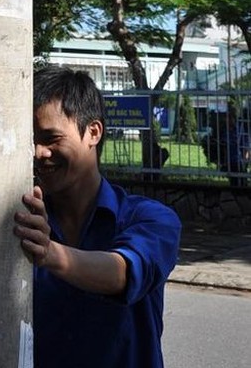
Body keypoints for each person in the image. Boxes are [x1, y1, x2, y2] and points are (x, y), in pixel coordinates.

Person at [13, 66, 181, 368]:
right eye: (31, 140)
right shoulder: (22, 220)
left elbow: (124, 273)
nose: (39, 152)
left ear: (93, 132)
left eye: (51, 138)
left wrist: (51, 253)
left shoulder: (152, 219)